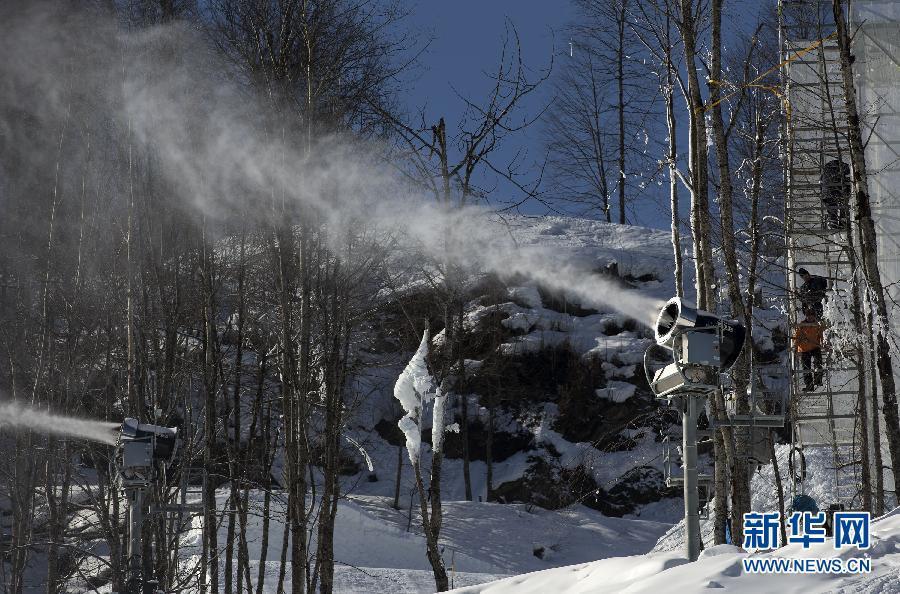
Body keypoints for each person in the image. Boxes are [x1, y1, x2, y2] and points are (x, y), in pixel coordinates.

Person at [794, 308, 824, 392]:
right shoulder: (802, 325)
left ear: (814, 316)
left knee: (818, 363)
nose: (810, 318)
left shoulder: (817, 325)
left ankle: (818, 380)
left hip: (815, 347)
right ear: (806, 317)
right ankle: (809, 385)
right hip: (804, 348)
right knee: (806, 368)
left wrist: (824, 344)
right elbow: (797, 337)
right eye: (808, 316)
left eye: (812, 316)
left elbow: (822, 335)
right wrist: (795, 348)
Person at [822, 159, 851, 231]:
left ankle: (833, 221)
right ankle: (842, 221)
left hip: (827, 194)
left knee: (832, 208)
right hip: (837, 191)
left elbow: (821, 183)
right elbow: (848, 174)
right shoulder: (842, 167)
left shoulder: (825, 171)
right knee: (843, 204)